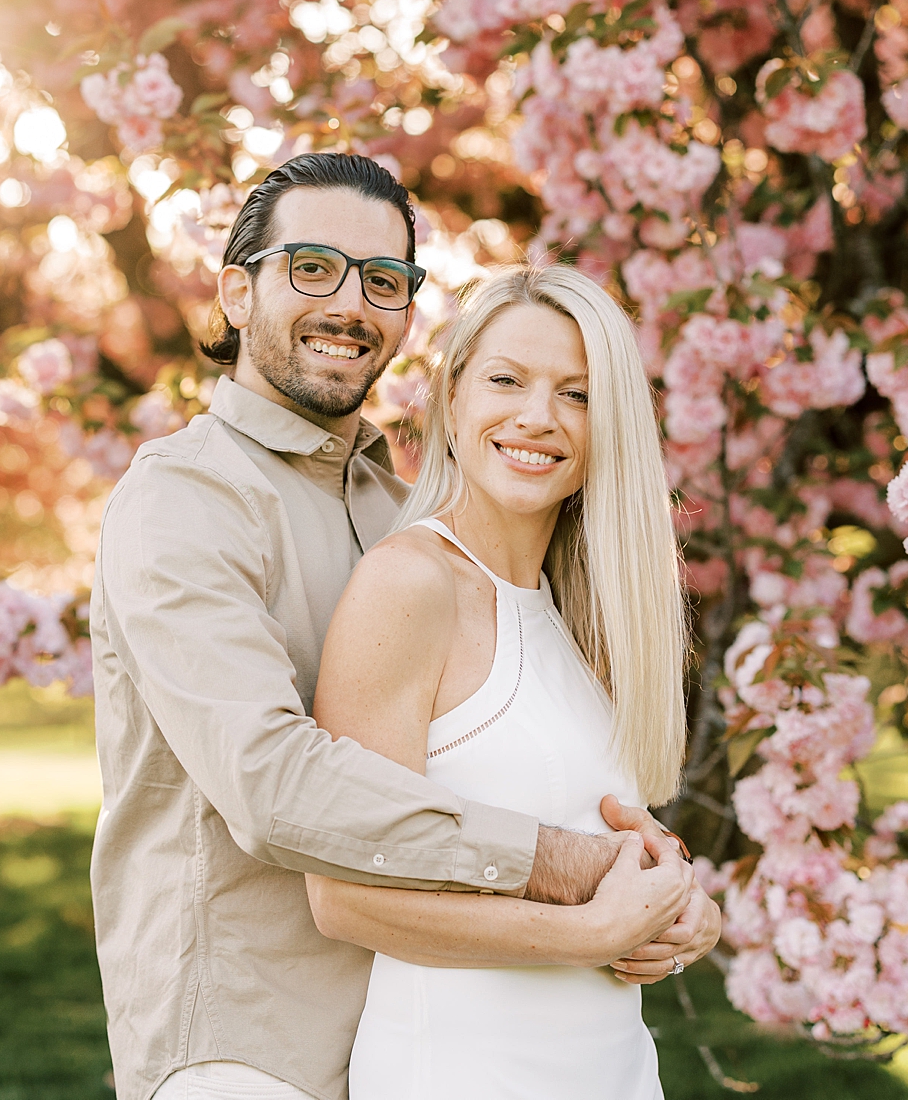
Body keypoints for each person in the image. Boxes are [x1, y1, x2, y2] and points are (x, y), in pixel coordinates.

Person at [89, 153, 713, 1100]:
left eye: (382, 280)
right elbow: (269, 778)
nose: (350, 303)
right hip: (249, 1042)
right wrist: (568, 870)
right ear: (235, 291)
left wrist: (661, 891)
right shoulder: (185, 497)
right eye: (312, 267)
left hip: (407, 1023)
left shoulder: (401, 513)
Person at [305, 262, 711, 1098]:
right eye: (506, 379)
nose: (539, 416)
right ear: (452, 400)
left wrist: (681, 908)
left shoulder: (588, 614)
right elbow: (344, 897)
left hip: (613, 1070)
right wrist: (584, 933)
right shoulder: (408, 583)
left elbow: (593, 828)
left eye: (577, 393)